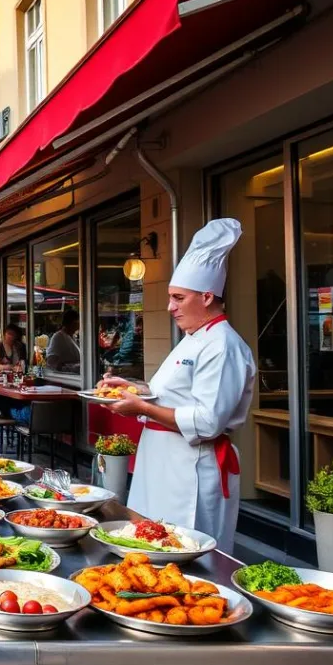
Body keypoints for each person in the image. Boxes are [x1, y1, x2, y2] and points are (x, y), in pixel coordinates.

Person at [100, 219, 255, 556]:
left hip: (190, 468)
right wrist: (134, 389)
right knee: (146, 542)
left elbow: (208, 421)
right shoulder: (192, 338)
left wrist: (141, 407)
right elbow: (174, 394)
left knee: (183, 549)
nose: (170, 307)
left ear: (207, 296)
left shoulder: (223, 346)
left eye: (178, 298)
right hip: (161, 462)